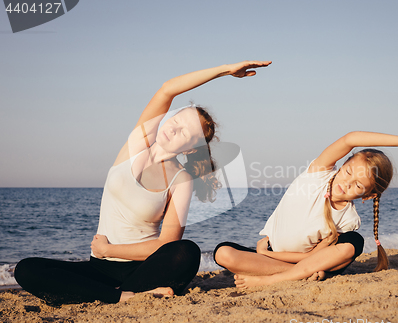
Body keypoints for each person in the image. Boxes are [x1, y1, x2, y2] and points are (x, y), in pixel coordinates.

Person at [14, 60, 272, 305]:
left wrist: (109, 249)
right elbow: (167, 89)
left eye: (184, 131)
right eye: (177, 120)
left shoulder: (181, 180)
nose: (173, 127)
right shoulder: (136, 146)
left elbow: (165, 245)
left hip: (142, 268)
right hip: (98, 267)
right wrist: (226, 70)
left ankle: (109, 295)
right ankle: (122, 296)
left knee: (187, 252)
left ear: (192, 148)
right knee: (27, 269)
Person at [214, 131, 398, 288]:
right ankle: (301, 274)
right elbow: (351, 139)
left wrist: (267, 255)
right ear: (342, 165)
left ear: (367, 196)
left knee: (352, 243)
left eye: (358, 185)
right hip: (293, 261)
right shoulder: (316, 175)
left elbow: (311, 256)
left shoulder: (348, 220)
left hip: (292, 259)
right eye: (348, 172)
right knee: (222, 253)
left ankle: (272, 280)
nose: (346, 184)